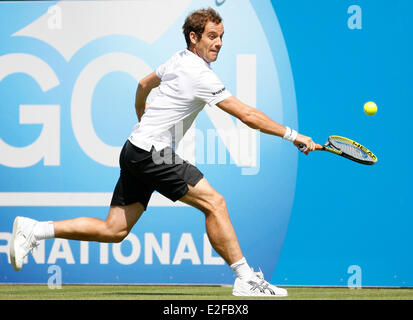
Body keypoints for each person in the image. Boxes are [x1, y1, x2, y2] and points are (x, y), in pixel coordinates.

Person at [9, 8, 316, 296]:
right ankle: (246, 278)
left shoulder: (178, 59)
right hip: (152, 153)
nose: (219, 43)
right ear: (194, 37)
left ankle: (35, 230)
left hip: (135, 148)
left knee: (114, 229)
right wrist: (293, 135)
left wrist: (141, 114)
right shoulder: (200, 74)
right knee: (215, 203)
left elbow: (143, 84)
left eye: (222, 36)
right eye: (212, 36)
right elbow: (247, 115)